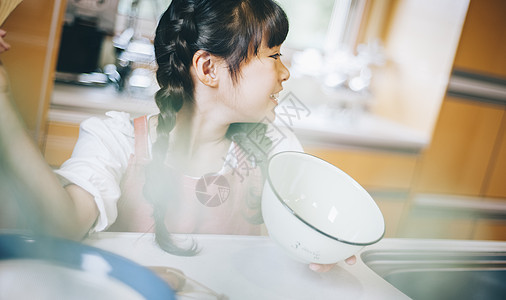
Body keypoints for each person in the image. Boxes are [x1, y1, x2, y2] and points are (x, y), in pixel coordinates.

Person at [6, 0, 354, 271]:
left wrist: (329, 248)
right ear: (208, 68)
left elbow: (315, 226)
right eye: (274, 55)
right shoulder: (116, 141)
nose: (286, 72)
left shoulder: (274, 148)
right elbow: (60, 227)